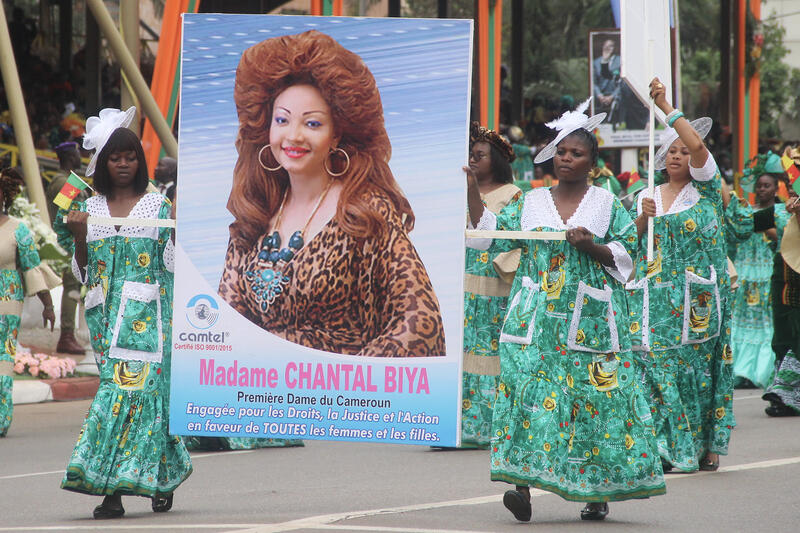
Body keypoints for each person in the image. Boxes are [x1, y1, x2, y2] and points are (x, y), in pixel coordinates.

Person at [466, 98, 665, 522]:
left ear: (592, 161)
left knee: (592, 402)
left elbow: (628, 256)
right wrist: (470, 187)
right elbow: (489, 240)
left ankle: (596, 490)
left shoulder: (607, 203)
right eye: (560, 152)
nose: (566, 159)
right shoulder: (532, 202)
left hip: (589, 322)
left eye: (576, 153)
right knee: (525, 395)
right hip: (533, 322)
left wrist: (591, 246)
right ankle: (521, 485)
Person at [218, 30, 446, 357]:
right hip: (263, 398)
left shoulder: (365, 211)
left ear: (337, 134)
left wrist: (352, 377)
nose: (293, 136)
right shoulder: (256, 212)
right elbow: (226, 319)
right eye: (282, 120)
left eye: (312, 124)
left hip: (339, 402)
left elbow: (421, 319)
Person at [56, 108, 191, 518]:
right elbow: (83, 272)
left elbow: (170, 264)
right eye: (115, 157)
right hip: (103, 319)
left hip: (148, 319)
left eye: (130, 156)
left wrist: (178, 227)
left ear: (140, 161)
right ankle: (157, 475)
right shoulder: (89, 208)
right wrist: (80, 238)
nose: (123, 163)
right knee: (124, 396)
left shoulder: (156, 205)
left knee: (131, 396)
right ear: (103, 163)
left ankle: (112, 490)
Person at [629, 78, 735, 473]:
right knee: (655, 366)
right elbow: (630, 242)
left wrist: (666, 107)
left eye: (681, 150)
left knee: (697, 371)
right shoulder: (648, 193)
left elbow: (699, 146)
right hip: (651, 300)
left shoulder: (705, 190)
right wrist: (644, 217)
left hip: (697, 302)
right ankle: (666, 445)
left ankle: (701, 443)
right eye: (669, 151)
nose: (677, 156)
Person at [461, 122, 521, 448]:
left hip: (492, 290)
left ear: (496, 160)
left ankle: (485, 428)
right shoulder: (458, 189)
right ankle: (457, 426)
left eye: (480, 155)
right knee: (461, 353)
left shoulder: (512, 195)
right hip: (462, 288)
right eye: (471, 154)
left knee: (486, 356)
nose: (473, 160)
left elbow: (504, 240)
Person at [0, 167, 58, 437]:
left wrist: (48, 304)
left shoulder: (18, 230)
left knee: (2, 358)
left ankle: (1, 417)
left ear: (4, 197)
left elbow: (32, 267)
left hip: (6, 302)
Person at [731, 160, 787, 389]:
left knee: (764, 321)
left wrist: (757, 222)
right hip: (744, 272)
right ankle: (740, 370)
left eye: (767, 186)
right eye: (759, 186)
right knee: (741, 319)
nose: (762, 189)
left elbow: (780, 238)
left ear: (776, 188)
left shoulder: (781, 212)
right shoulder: (746, 211)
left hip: (765, 273)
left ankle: (761, 370)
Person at [46, 141, 89, 355]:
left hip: (74, 240)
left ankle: (69, 334)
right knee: (72, 287)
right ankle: (67, 335)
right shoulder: (62, 182)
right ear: (71, 156)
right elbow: (69, 214)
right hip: (67, 241)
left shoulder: (67, 181)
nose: (81, 155)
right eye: (78, 152)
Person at [762, 184, 800, 416]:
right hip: (783, 287)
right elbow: (742, 225)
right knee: (783, 339)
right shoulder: (778, 212)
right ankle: (783, 397)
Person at [592, 38, 647, 130]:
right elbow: (594, 82)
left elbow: (623, 82)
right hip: (600, 99)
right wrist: (599, 95)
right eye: (606, 46)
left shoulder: (621, 61)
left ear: (615, 48)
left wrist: (612, 96)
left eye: (611, 46)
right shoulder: (596, 62)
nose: (608, 48)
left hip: (617, 97)